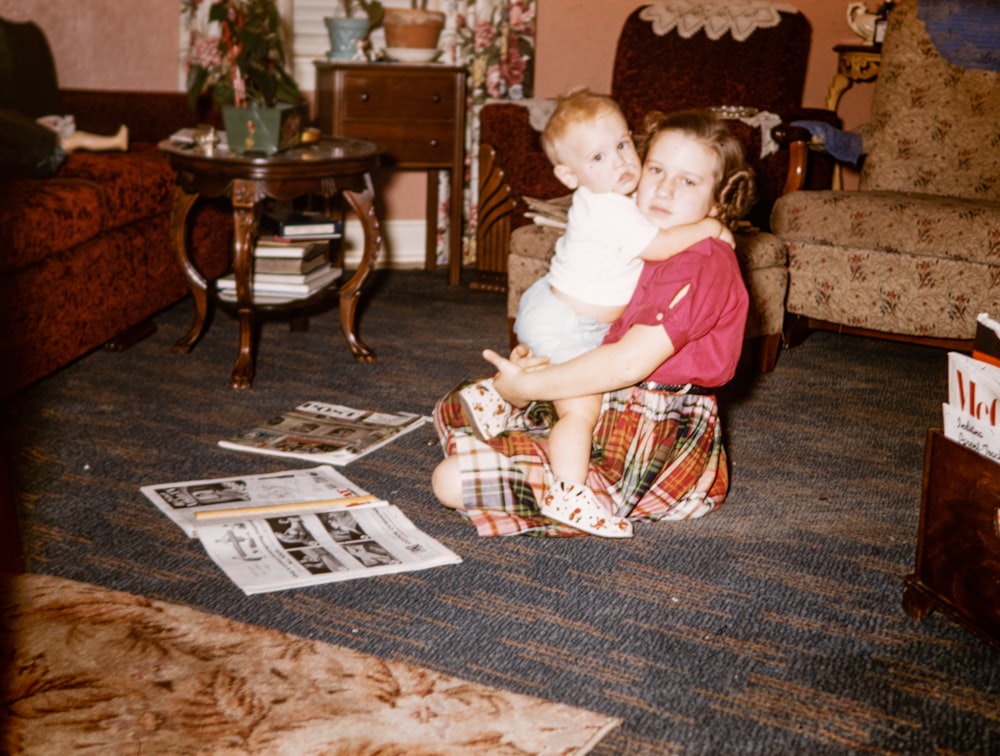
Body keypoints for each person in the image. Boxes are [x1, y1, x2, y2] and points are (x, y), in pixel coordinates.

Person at [433, 108, 755, 538]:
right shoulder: (640, 235)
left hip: (654, 436)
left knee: (451, 479)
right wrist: (540, 364)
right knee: (461, 403)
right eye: (656, 169)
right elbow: (589, 322)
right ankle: (537, 446)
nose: (664, 188)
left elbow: (626, 364)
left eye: (688, 181)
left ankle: (569, 489)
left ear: (717, 202)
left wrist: (530, 388)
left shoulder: (704, 262)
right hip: (609, 399)